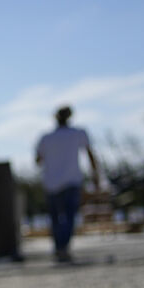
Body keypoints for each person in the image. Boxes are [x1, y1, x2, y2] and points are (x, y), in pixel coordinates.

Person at [35, 105, 101, 263]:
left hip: (51, 182)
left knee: (56, 218)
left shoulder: (46, 137)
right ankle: (63, 247)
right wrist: (95, 175)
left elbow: (38, 160)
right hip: (72, 180)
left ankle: (59, 248)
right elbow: (90, 154)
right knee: (69, 217)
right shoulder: (78, 133)